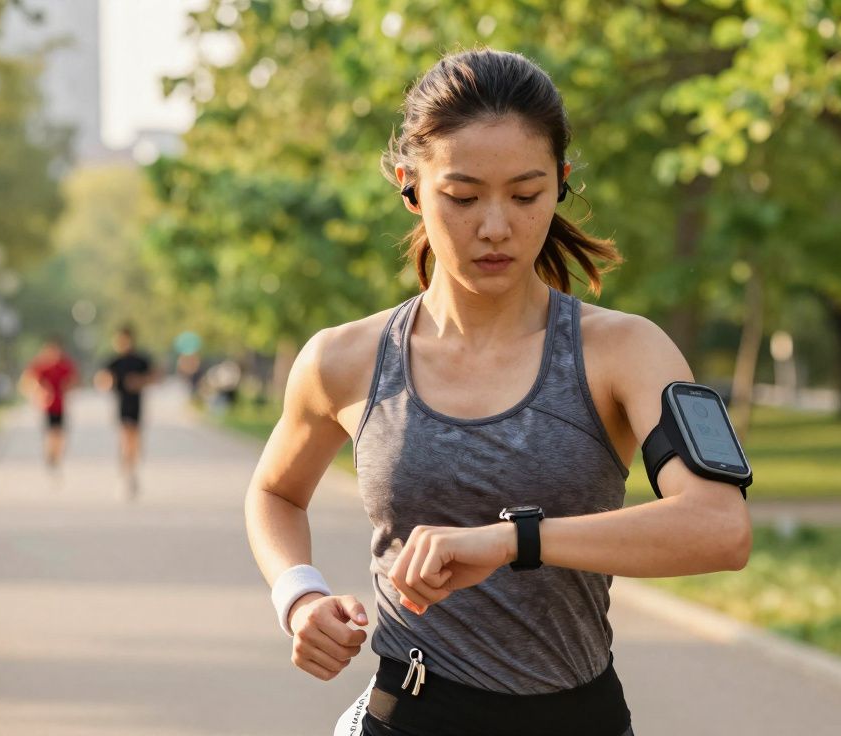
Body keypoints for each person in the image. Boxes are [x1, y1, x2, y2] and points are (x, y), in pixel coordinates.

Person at [244, 49, 752, 736]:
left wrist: (514, 541)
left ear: (562, 184)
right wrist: (298, 597)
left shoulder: (626, 351)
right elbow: (275, 493)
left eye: (525, 194)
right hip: (409, 716)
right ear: (409, 184)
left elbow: (720, 529)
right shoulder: (344, 359)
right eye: (462, 195)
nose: (495, 226)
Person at [95, 325, 156, 498]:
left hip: (137, 404)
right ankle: (126, 471)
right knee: (125, 437)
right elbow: (102, 381)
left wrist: (140, 382)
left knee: (135, 439)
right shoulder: (114, 361)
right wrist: (107, 382)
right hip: (121, 405)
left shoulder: (140, 360)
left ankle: (132, 469)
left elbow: (154, 377)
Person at [20, 335, 78, 472]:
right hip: (47, 406)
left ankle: (55, 456)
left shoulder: (64, 366)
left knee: (60, 433)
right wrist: (40, 390)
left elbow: (74, 380)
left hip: (61, 405)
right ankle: (50, 455)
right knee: (50, 432)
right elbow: (28, 380)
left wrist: (68, 386)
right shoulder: (41, 366)